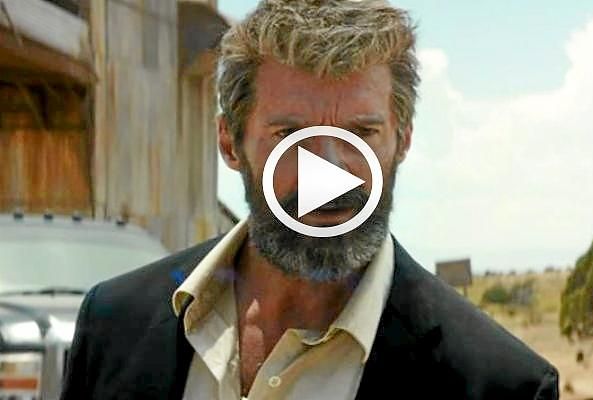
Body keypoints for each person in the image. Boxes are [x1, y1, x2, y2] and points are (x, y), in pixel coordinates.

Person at [61, 0, 559, 399]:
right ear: (230, 143)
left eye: (360, 133)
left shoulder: (499, 385)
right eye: (290, 135)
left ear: (402, 142)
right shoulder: (113, 326)